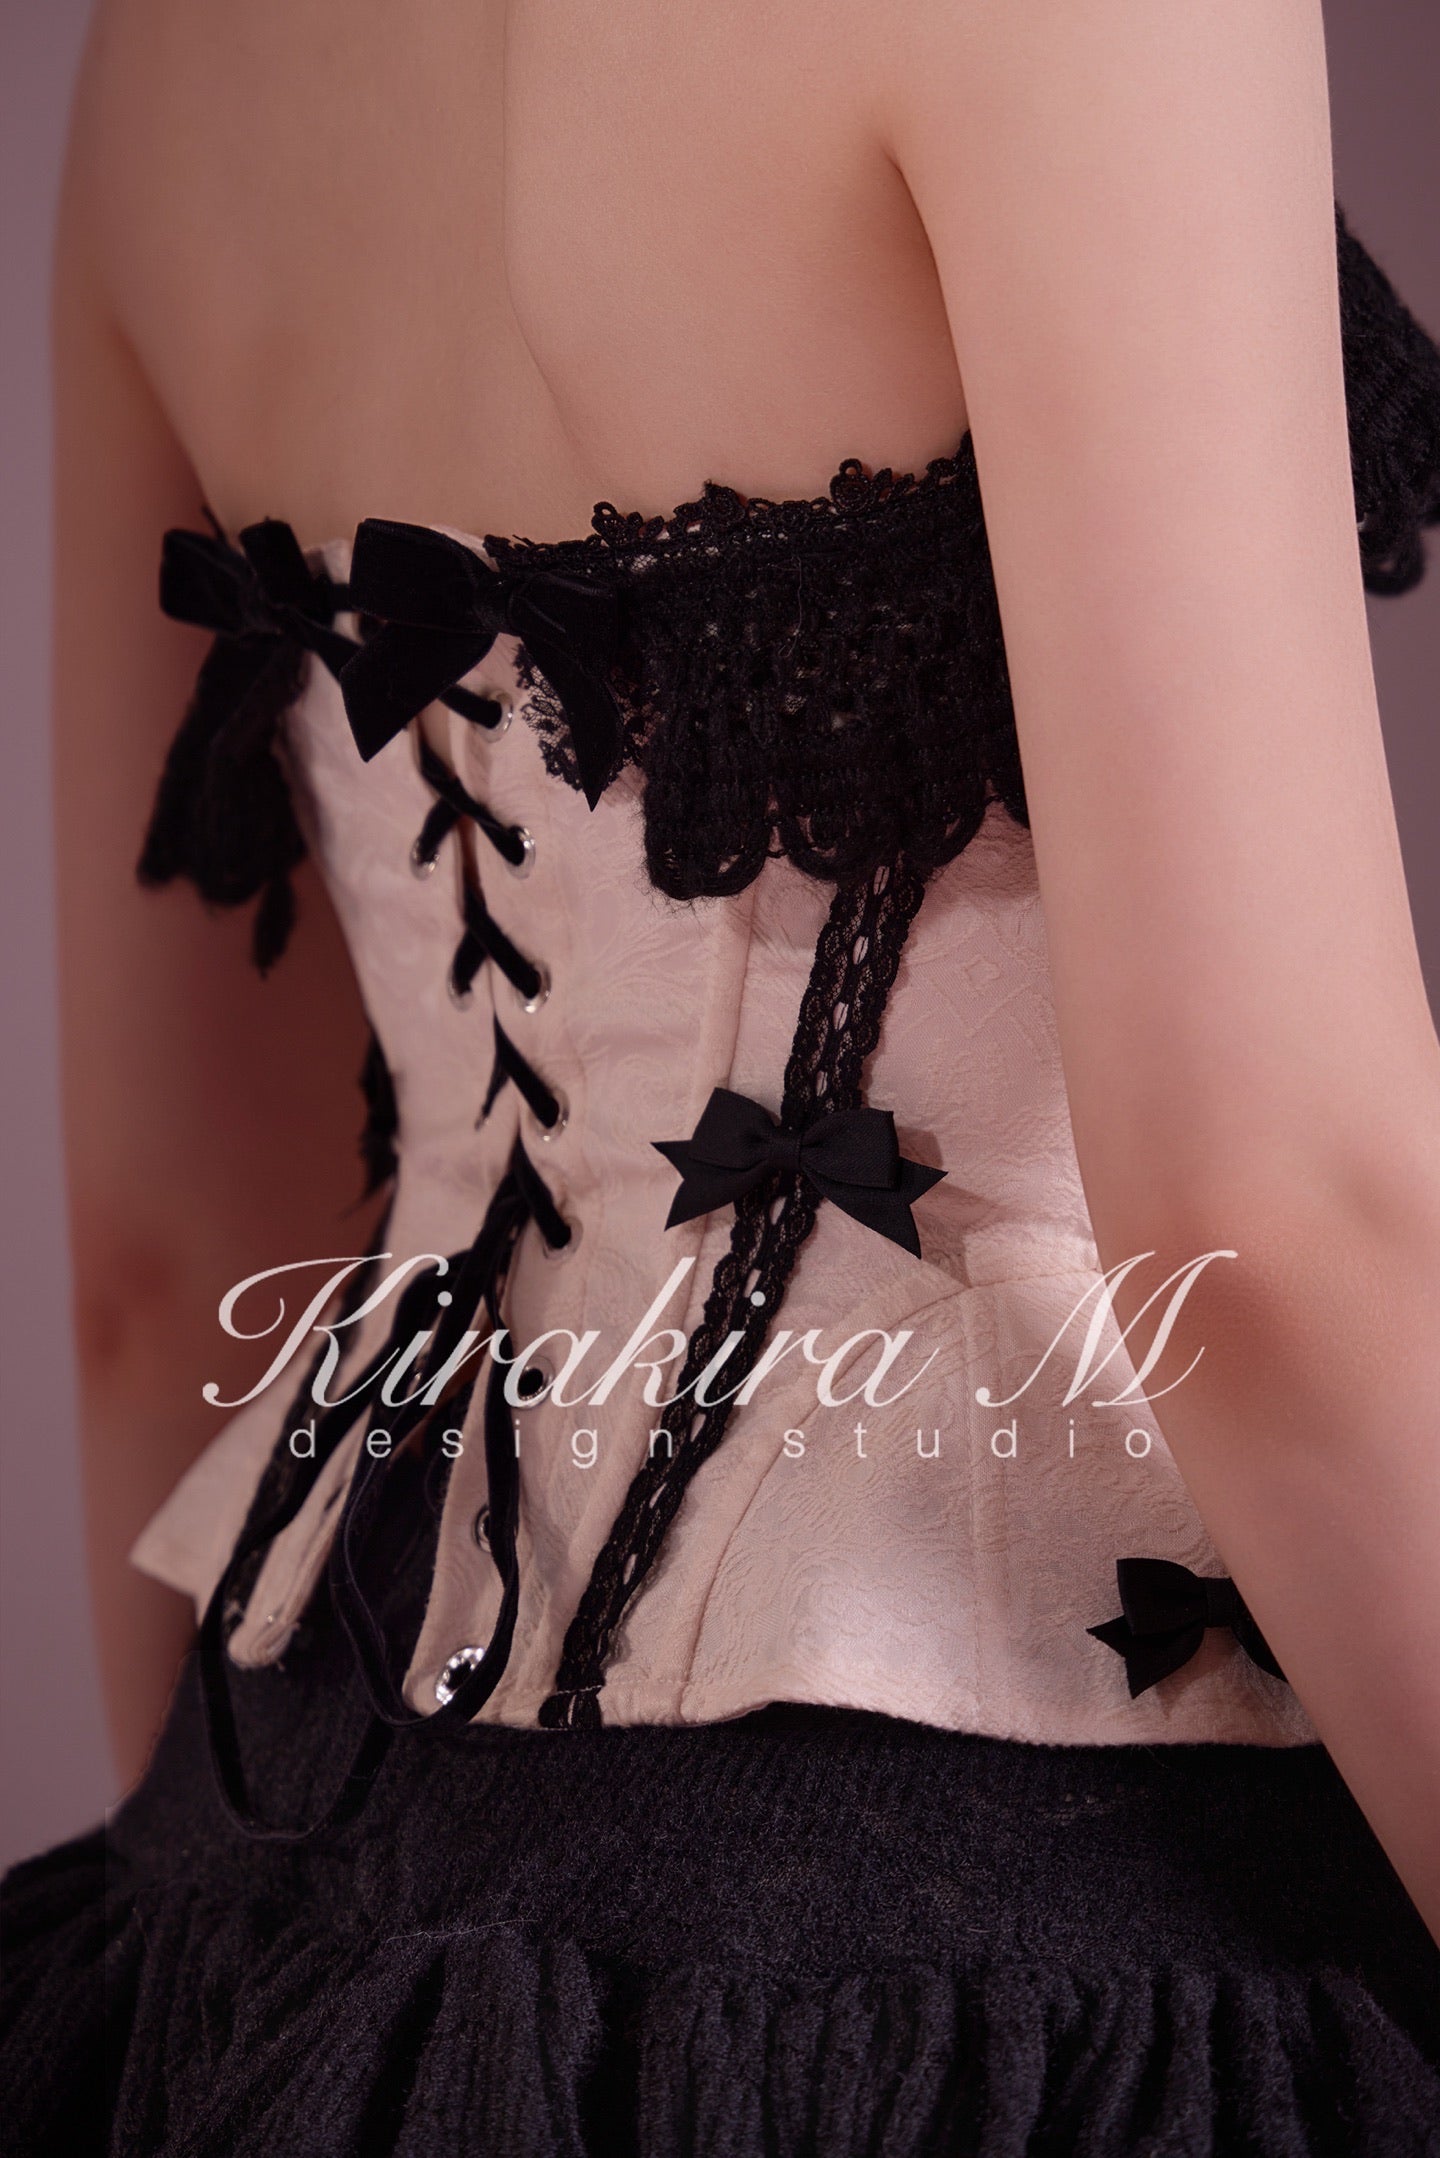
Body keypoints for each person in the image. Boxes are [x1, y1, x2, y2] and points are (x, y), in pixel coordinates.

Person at [4, 0, 1439, 2149]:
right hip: (1024, 1940)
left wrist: (267, 1984)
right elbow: (1281, 1234)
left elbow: (162, 1263)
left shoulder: (167, 63)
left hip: (283, 1850)